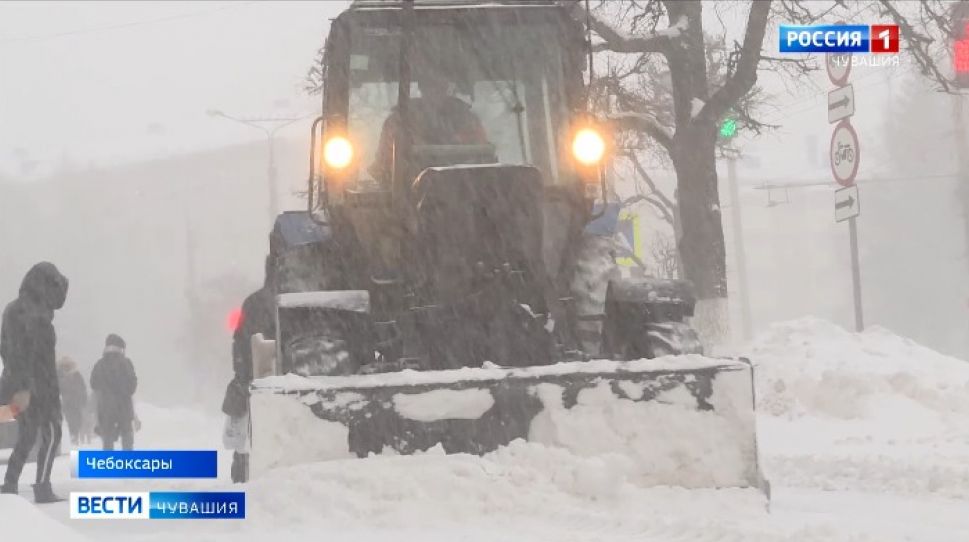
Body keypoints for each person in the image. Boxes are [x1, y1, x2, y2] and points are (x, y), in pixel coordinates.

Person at [0, 262, 69, 503]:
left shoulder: (16, 309)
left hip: (22, 382)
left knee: (28, 435)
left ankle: (9, 484)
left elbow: (8, 351)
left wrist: (17, 384)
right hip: (37, 386)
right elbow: (23, 353)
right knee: (52, 433)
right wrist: (25, 388)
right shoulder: (32, 313)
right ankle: (42, 487)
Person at [369, 62, 488, 183]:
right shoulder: (398, 122)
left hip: (462, 193)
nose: (435, 90)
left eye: (440, 85)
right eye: (430, 84)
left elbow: (483, 162)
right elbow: (384, 166)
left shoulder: (469, 122)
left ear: (447, 86)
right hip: (407, 194)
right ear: (422, 87)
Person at [223, 257, 276, 483]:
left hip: (255, 379)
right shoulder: (308, 304)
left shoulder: (254, 303)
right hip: (269, 379)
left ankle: (243, 476)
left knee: (246, 437)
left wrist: (243, 377)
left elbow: (240, 343)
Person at [90, 334, 137, 451]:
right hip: (124, 408)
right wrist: (123, 390)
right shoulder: (126, 363)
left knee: (107, 442)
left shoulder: (99, 364)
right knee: (127, 441)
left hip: (106, 409)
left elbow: (93, 384)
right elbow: (132, 386)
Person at [56, 356, 88, 446]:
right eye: (64, 365)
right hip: (65, 402)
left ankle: (74, 435)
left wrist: (83, 400)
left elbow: (83, 388)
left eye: (68, 365)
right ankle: (71, 436)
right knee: (69, 420)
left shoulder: (76, 375)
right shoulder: (58, 375)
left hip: (76, 402)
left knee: (77, 420)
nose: (66, 367)